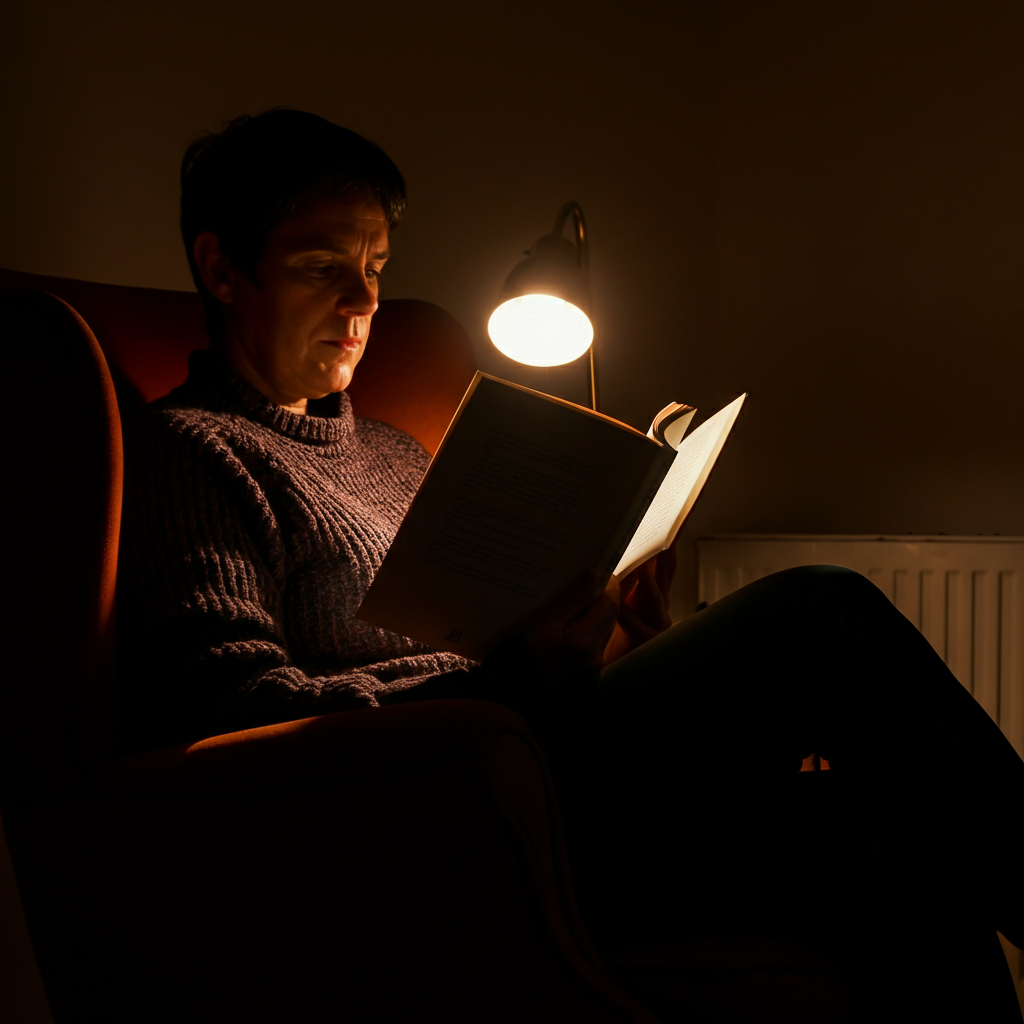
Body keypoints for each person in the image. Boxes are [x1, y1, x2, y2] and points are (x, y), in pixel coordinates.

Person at [118, 109, 1023, 1019]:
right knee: (818, 615)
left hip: (547, 763)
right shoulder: (193, 453)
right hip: (437, 808)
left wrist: (611, 641)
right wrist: (515, 682)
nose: (364, 304)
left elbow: (499, 651)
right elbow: (226, 706)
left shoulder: (399, 452)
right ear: (221, 268)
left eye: (376, 269)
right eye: (323, 269)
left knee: (883, 829)